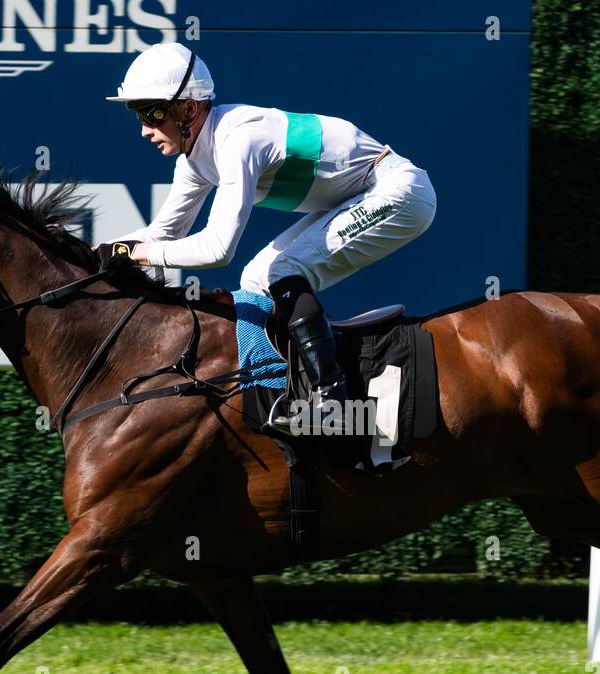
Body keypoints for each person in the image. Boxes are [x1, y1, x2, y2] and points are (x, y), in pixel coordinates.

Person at [97, 43, 436, 425]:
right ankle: (289, 389)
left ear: (188, 108)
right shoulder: (195, 159)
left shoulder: (239, 139)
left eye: (151, 113)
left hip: (399, 192)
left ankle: (333, 403)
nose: (144, 129)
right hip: (362, 194)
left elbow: (218, 249)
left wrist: (136, 254)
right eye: (138, 114)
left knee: (281, 270)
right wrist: (94, 252)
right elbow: (162, 234)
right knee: (256, 278)